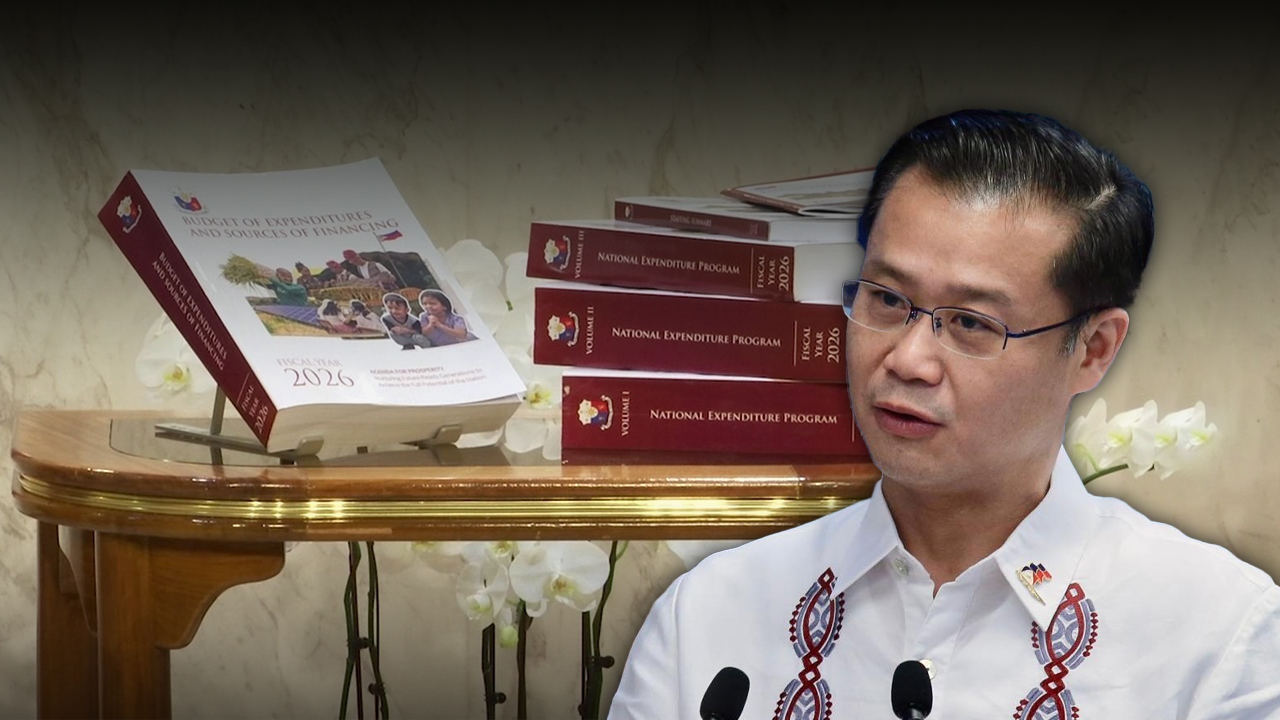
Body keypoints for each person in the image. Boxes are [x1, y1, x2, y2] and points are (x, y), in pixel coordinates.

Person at [608, 110, 1280, 719]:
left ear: (1093, 349)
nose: (907, 360)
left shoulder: (1219, 637)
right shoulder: (708, 617)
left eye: (971, 323)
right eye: (886, 299)